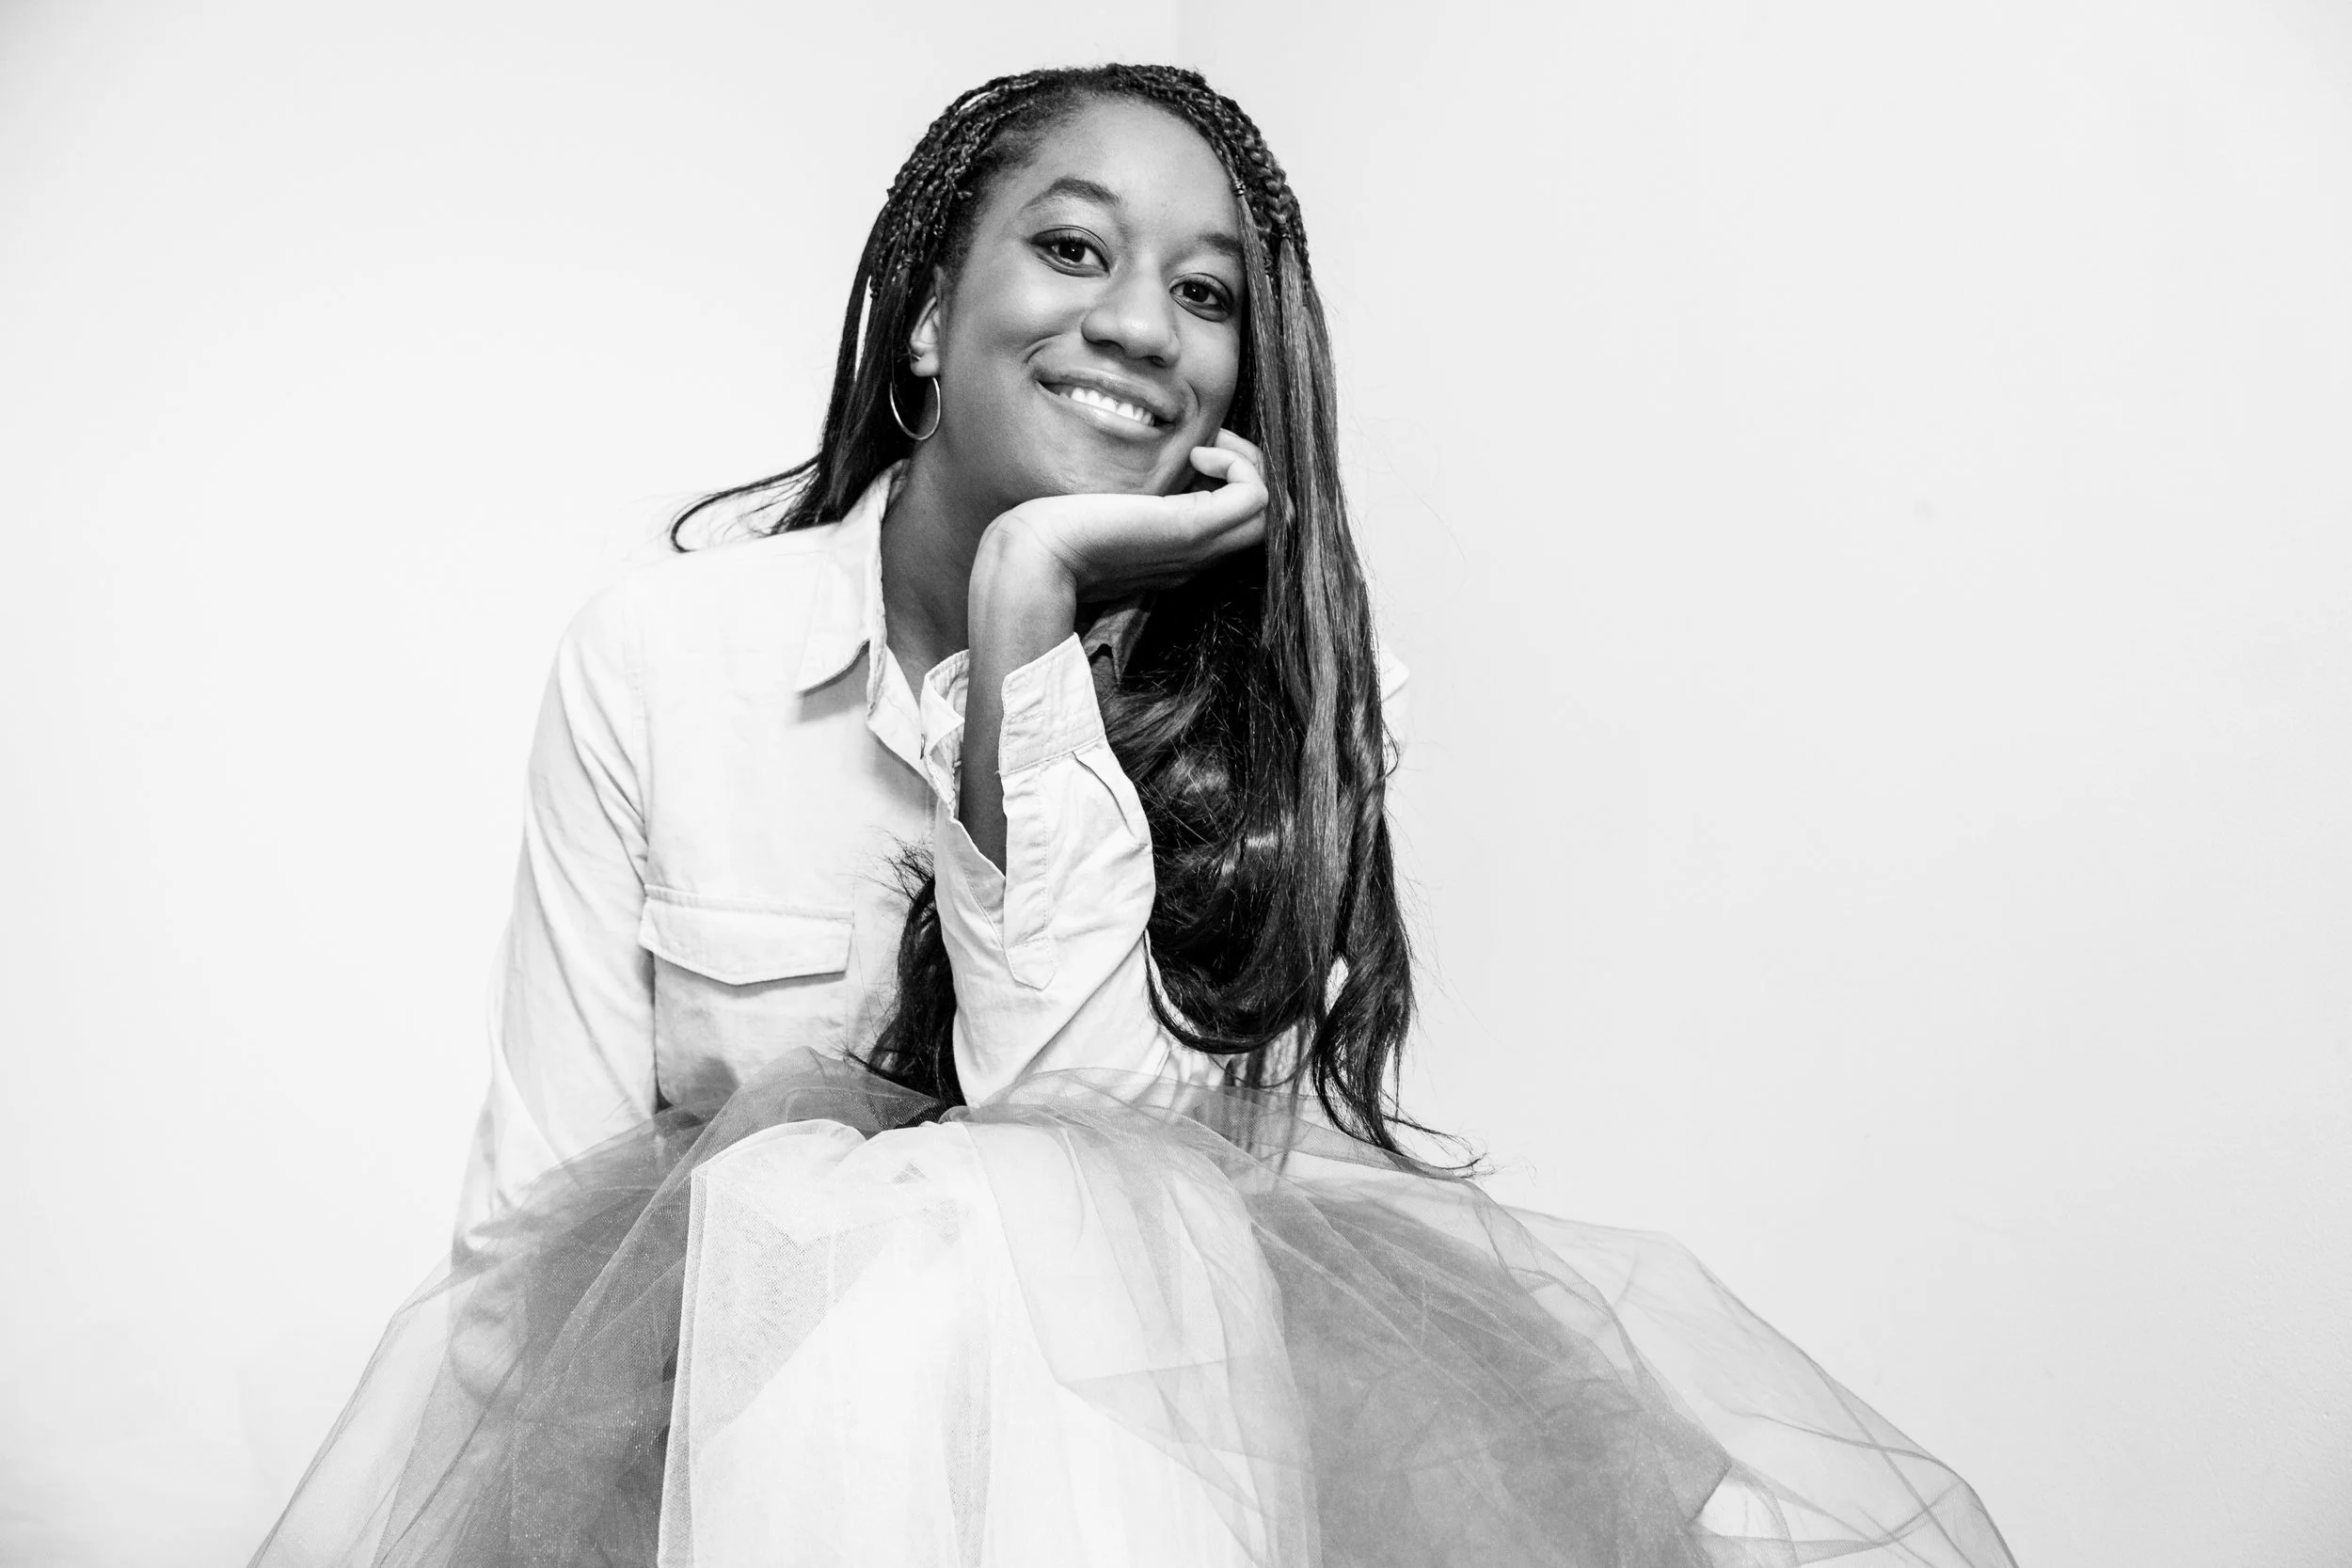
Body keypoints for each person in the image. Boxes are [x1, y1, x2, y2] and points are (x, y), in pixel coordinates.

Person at [250, 64, 2017, 1568]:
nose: (1140, 324)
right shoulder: (662, 658)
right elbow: (536, 1241)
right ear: (927, 314)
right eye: (1074, 247)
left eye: (1208, 292)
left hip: (1146, 1475)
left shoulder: (1312, 706)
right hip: (721, 1480)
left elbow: (1084, 1158)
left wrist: (1029, 611)